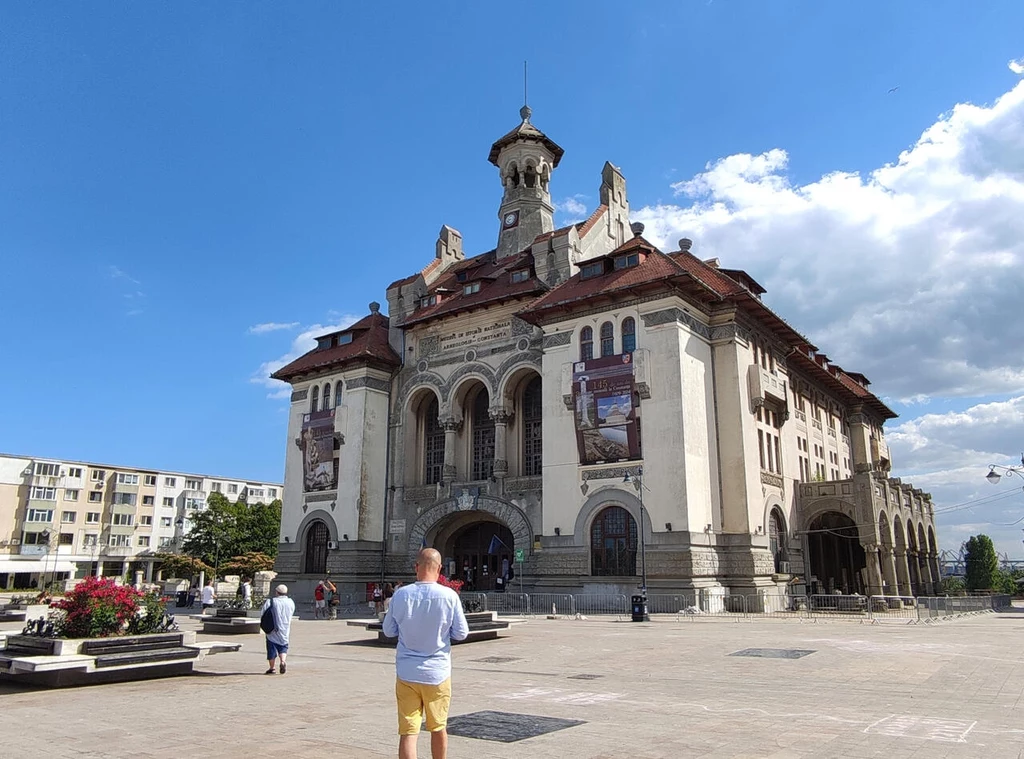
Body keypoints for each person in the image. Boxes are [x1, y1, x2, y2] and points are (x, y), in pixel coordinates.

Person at [383, 548, 469, 759]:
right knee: (438, 727)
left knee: (408, 731)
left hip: (407, 673)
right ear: (439, 569)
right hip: (437, 673)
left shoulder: (401, 594)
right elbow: (461, 633)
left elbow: (388, 630)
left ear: (416, 567)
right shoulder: (449, 596)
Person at [261, 584, 296, 675]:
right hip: (285, 628)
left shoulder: (271, 601)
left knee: (271, 647)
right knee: (283, 646)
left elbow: (263, 613)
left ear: (277, 592)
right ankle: (283, 661)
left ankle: (272, 668)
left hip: (273, 629)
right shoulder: (290, 602)